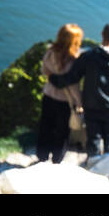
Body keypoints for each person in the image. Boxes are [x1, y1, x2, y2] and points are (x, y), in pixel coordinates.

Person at [49, 23, 109, 157]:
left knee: (93, 141)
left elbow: (72, 77)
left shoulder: (89, 57)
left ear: (102, 35)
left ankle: (94, 169)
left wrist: (53, 79)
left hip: (91, 106)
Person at [36, 24, 83, 163]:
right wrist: (79, 102)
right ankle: (57, 160)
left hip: (48, 95)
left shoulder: (50, 51)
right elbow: (73, 85)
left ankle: (42, 157)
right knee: (62, 132)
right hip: (65, 101)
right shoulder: (74, 59)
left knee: (46, 126)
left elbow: (44, 70)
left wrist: (53, 77)